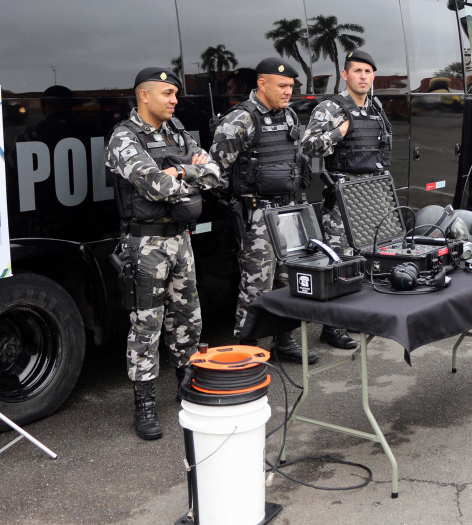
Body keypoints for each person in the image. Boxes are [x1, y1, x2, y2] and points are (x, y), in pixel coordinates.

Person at [105, 67, 222, 440]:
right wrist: (188, 175)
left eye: (175, 94)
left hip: (181, 240)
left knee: (188, 316)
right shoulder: (124, 137)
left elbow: (216, 174)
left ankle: (187, 382)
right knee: (147, 324)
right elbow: (155, 185)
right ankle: (145, 403)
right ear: (144, 95)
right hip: (146, 245)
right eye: (167, 93)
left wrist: (181, 172)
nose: (174, 100)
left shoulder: (177, 132)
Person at [210, 57, 320, 364]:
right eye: (282, 86)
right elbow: (215, 172)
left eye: (291, 87)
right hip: (258, 214)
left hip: (289, 212)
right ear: (262, 84)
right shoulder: (240, 120)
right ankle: (247, 349)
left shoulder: (288, 116)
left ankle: (284, 342)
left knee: (288, 280)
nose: (288, 92)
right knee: (256, 286)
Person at [301, 50, 394, 350]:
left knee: (369, 258)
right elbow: (308, 147)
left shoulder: (375, 107)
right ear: (345, 75)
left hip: (371, 194)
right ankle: (332, 327)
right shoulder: (331, 109)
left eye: (368, 71)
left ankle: (360, 317)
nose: (363, 77)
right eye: (357, 71)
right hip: (343, 194)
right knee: (338, 262)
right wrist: (339, 133)